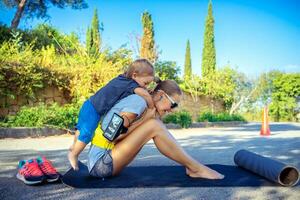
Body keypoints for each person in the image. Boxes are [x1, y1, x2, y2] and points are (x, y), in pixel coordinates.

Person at [88, 79, 224, 180]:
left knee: (155, 123)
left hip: (108, 162)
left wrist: (146, 119)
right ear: (160, 94)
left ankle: (193, 167)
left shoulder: (146, 107)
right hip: (100, 165)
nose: (171, 110)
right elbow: (111, 135)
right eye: (173, 104)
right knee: (154, 125)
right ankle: (195, 168)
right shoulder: (138, 101)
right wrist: (145, 119)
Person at [69, 58, 155, 170]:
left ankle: (73, 148)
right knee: (86, 134)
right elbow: (144, 95)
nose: (145, 87)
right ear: (134, 75)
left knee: (81, 130)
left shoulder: (123, 79)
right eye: (145, 83)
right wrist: (151, 108)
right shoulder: (131, 84)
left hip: (90, 105)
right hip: (94, 109)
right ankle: (74, 154)